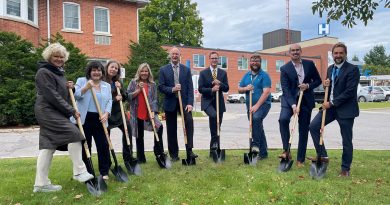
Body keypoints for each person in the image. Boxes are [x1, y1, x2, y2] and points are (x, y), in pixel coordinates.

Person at [33, 43, 93, 193]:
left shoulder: (58, 72)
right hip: (47, 111)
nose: (59, 59)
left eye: (61, 57)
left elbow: (59, 91)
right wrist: (71, 110)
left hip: (54, 111)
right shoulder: (44, 72)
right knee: (74, 134)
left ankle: (40, 184)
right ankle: (79, 171)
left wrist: (69, 87)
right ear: (49, 57)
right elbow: (51, 95)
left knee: (48, 146)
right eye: (56, 56)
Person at [309, 42, 360, 177]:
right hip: (330, 108)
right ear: (332, 54)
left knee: (346, 140)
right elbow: (329, 87)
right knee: (313, 126)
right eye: (335, 53)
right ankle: (323, 156)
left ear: (345, 54)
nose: (338, 55)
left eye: (340, 53)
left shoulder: (352, 69)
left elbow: (349, 92)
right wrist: (326, 85)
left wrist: (331, 103)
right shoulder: (331, 69)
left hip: (346, 109)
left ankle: (345, 169)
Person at [278, 44, 322, 167]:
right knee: (283, 119)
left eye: (297, 50)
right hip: (289, 101)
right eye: (293, 50)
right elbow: (285, 89)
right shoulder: (284, 68)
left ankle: (300, 159)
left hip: (306, 101)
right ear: (289, 53)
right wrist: (293, 105)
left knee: (303, 129)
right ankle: (286, 151)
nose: (295, 52)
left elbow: (318, 80)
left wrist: (308, 86)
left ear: (301, 51)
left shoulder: (309, 64)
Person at [71, 61, 112, 180]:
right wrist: (86, 88)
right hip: (84, 119)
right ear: (89, 71)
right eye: (94, 70)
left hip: (100, 118)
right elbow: (76, 95)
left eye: (99, 70)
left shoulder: (106, 85)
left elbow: (109, 100)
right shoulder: (81, 81)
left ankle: (104, 172)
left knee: (103, 145)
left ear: (102, 72)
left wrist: (107, 113)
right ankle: (87, 172)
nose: (96, 72)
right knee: (85, 146)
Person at [158, 47, 197, 161]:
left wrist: (190, 103)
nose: (175, 56)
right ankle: (174, 155)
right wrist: (172, 89)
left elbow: (190, 87)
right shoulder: (163, 70)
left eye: (177, 54)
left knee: (189, 122)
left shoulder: (186, 69)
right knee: (171, 129)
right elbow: (161, 86)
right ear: (170, 56)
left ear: (180, 56)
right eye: (173, 54)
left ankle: (189, 151)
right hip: (170, 102)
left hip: (184, 103)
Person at [127, 63, 165, 163]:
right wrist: (138, 90)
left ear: (149, 72)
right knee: (139, 136)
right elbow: (128, 96)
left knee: (159, 127)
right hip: (137, 112)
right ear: (139, 72)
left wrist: (153, 111)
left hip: (149, 112)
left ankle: (158, 151)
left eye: (146, 71)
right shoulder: (133, 82)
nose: (144, 73)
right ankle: (141, 158)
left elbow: (155, 99)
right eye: (142, 71)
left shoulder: (152, 84)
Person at [238, 54, 271, 159]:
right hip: (250, 106)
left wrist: (257, 106)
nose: (254, 63)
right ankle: (263, 153)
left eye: (257, 61)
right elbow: (239, 89)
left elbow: (266, 92)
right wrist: (246, 89)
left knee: (256, 119)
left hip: (263, 105)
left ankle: (255, 145)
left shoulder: (264, 75)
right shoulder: (246, 75)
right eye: (252, 61)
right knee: (258, 127)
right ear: (250, 63)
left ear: (260, 63)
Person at [198, 51, 229, 154]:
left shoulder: (223, 73)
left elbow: (226, 88)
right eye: (213, 58)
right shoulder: (203, 73)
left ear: (218, 60)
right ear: (209, 59)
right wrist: (212, 89)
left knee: (217, 126)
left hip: (219, 103)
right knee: (214, 117)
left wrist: (220, 83)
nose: (214, 60)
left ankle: (215, 150)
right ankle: (215, 146)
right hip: (207, 102)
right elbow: (201, 89)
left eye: (216, 58)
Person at [103, 60, 133, 164]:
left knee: (128, 130)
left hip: (119, 113)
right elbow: (102, 100)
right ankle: (107, 162)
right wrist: (115, 99)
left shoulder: (118, 82)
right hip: (107, 114)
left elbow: (124, 96)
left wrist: (121, 91)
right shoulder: (102, 81)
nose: (114, 69)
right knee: (106, 138)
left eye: (116, 68)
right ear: (107, 67)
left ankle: (128, 158)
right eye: (112, 67)